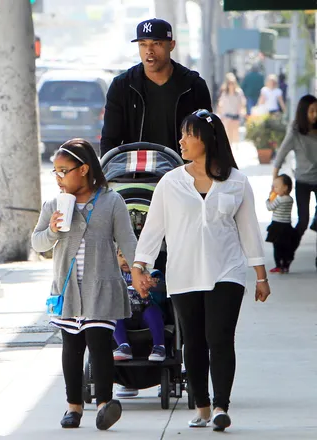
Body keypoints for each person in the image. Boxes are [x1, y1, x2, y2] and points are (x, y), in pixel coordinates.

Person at [131, 109, 271, 432]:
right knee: (193, 341)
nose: (181, 141)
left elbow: (249, 231)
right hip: (184, 274)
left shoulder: (237, 182)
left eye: (188, 135)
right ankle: (202, 406)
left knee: (220, 337)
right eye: (181, 134)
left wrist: (260, 276)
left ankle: (222, 405)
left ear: (207, 140)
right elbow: (153, 230)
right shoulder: (170, 183)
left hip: (227, 272)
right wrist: (140, 266)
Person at [31, 139, 137, 430]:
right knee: (72, 347)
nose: (59, 178)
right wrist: (52, 229)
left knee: (99, 343)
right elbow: (37, 243)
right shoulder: (53, 204)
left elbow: (127, 239)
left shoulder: (111, 201)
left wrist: (139, 269)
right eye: (55, 172)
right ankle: (73, 406)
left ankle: (104, 404)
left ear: (84, 169)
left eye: (64, 170)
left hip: (101, 285)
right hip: (68, 291)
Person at [100, 18, 212, 157]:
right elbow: (110, 140)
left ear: (171, 45)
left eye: (156, 43)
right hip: (134, 174)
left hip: (182, 173)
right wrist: (110, 174)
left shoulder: (193, 85)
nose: (149, 50)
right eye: (143, 44)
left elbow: (207, 138)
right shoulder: (122, 86)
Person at [114, 247, 166, 398]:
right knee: (113, 315)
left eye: (129, 256)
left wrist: (154, 283)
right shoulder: (114, 275)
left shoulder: (151, 273)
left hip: (145, 316)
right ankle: (123, 346)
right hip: (124, 317)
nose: (124, 260)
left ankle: (159, 347)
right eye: (121, 255)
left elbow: (160, 287)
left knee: (153, 312)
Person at [273, 94, 317, 243]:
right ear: (304, 112)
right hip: (303, 181)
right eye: (311, 111)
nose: (315, 115)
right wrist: (274, 182)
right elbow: (280, 155)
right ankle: (288, 249)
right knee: (303, 221)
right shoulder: (295, 132)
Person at [265, 174, 299, 273]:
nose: (274, 189)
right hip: (287, 226)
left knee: (277, 247)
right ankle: (285, 265)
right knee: (286, 247)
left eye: (276, 187)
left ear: (285, 188)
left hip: (277, 225)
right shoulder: (290, 199)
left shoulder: (279, 199)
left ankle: (278, 265)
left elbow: (270, 207)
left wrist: (268, 199)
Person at [217, 72, 246, 146]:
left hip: (236, 114)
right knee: (229, 132)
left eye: (232, 83)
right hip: (227, 115)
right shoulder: (224, 93)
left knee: (235, 131)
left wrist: (242, 111)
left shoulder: (239, 92)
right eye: (229, 83)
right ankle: (231, 146)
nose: (231, 85)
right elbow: (220, 104)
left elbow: (242, 102)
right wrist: (220, 114)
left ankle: (236, 146)